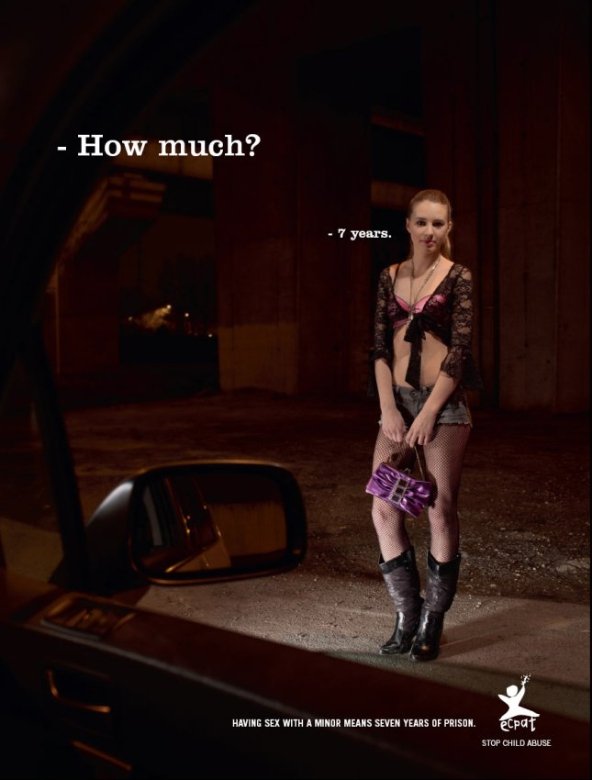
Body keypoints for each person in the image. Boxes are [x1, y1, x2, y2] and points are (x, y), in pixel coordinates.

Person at [370, 188, 482, 662]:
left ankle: (433, 620)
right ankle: (406, 613)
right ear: (409, 225)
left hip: (443, 405)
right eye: (422, 222)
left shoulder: (458, 276)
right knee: (384, 506)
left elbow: (459, 352)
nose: (429, 231)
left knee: (439, 508)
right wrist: (389, 409)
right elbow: (379, 347)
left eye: (439, 223)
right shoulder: (389, 276)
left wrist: (430, 412)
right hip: (396, 405)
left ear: (448, 227)